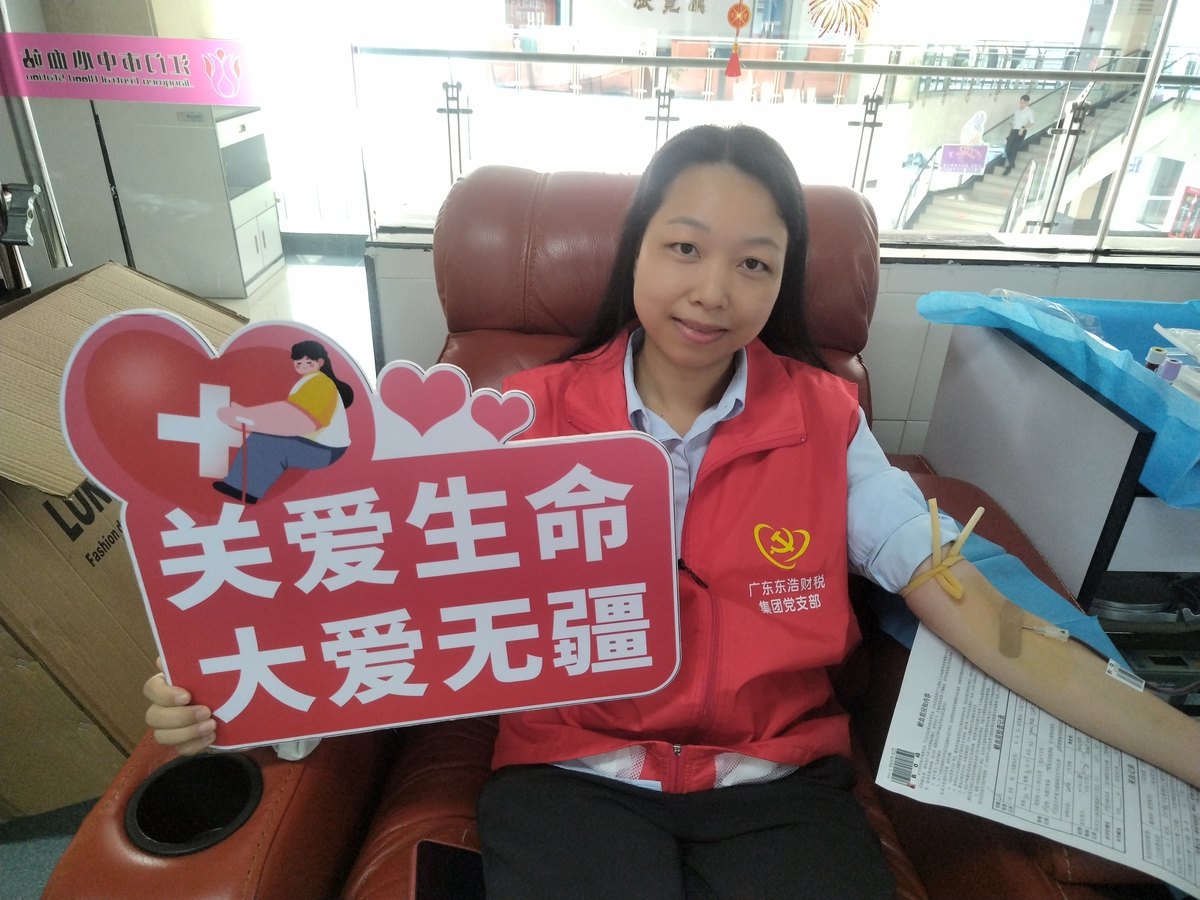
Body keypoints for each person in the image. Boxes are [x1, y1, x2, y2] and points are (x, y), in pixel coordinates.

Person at [146, 126, 1200, 899]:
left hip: (778, 783)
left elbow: (979, 609)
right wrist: (226, 681)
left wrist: (1185, 747)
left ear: (781, 282)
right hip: (571, 776)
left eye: (755, 264)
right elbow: (363, 590)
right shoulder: (518, 420)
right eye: (684, 248)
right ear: (637, 252)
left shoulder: (828, 423)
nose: (713, 291)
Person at [212, 340, 354, 504]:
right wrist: (247, 414)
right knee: (265, 439)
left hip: (322, 448)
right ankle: (243, 488)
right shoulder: (311, 380)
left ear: (320, 362)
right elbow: (287, 411)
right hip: (317, 444)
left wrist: (247, 417)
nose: (302, 365)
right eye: (298, 362)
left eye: (308, 362)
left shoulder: (320, 382)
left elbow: (300, 419)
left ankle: (243, 489)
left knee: (268, 442)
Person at [1003, 93, 1035, 174]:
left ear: (1027, 102)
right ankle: (1011, 163)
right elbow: (1013, 122)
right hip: (1014, 131)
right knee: (1008, 148)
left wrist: (1023, 127)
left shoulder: (1029, 111)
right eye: (1020, 102)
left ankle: (1010, 166)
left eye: (1023, 102)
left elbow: (1032, 122)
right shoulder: (1017, 110)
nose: (1021, 104)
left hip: (1021, 132)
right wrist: (1009, 133)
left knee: (1014, 149)